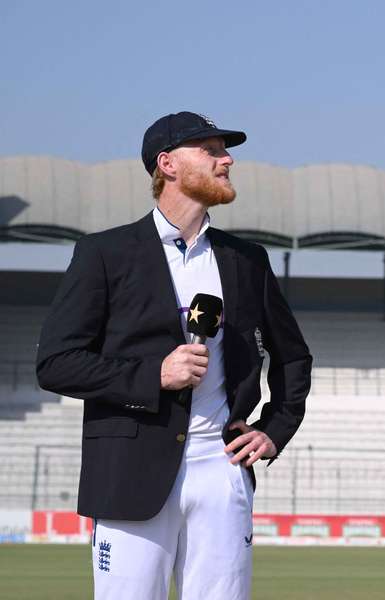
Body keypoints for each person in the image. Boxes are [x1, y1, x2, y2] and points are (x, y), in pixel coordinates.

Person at [36, 111, 313, 600]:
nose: (227, 159)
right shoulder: (105, 253)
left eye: (225, 151)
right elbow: (56, 362)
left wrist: (275, 428)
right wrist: (154, 375)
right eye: (210, 150)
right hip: (128, 473)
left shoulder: (247, 259)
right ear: (167, 164)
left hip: (221, 472)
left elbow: (292, 357)